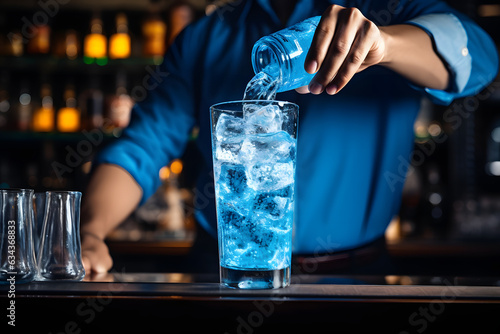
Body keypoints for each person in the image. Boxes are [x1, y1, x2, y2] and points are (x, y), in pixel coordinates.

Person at [80, 0, 498, 274]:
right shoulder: (205, 36)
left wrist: (385, 44)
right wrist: (91, 231)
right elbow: (143, 147)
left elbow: (479, 59)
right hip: (222, 273)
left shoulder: (386, 10)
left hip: (352, 278)